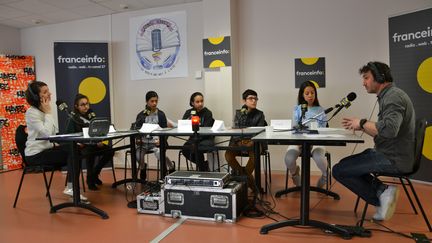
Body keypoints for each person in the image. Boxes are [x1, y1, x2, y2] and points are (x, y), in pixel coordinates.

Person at [332, 61, 415, 221]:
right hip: (390, 154)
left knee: (339, 170)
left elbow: (390, 130)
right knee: (345, 166)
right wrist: (362, 127)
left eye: (366, 78)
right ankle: (383, 195)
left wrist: (362, 123)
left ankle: (383, 193)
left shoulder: (393, 96)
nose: (363, 83)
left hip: (393, 159)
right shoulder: (389, 95)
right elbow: (384, 131)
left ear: (380, 77)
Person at [24, 81, 88, 202]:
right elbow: (47, 134)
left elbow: (53, 134)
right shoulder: (32, 113)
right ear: (36, 96)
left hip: (47, 149)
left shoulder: (45, 111)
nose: (50, 93)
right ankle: (71, 188)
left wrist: (71, 141)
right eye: (45, 92)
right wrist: (48, 113)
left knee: (74, 149)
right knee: (72, 152)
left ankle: (71, 187)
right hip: (35, 155)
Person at [65, 94, 114, 190]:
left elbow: (97, 131)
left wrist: (99, 140)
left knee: (110, 151)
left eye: (87, 104)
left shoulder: (91, 116)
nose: (86, 106)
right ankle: (90, 180)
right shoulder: (73, 119)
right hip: (80, 146)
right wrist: (78, 143)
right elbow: (68, 136)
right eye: (82, 105)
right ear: (76, 106)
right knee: (90, 152)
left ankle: (94, 174)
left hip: (93, 143)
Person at [285, 81, 329, 188]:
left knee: (319, 158)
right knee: (289, 158)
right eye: (307, 93)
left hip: (317, 141)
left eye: (312, 93)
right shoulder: (298, 109)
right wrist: (298, 141)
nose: (310, 96)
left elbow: (323, 130)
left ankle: (325, 176)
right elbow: (294, 128)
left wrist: (314, 142)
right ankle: (295, 175)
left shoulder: (321, 110)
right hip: (300, 141)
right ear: (302, 95)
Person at [225, 89, 266, 192]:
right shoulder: (239, 113)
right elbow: (236, 129)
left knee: (255, 156)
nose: (254, 101)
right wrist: (239, 141)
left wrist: (251, 141)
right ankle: (248, 180)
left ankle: (241, 179)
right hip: (239, 142)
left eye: (255, 99)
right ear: (244, 101)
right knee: (228, 155)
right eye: (251, 98)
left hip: (254, 143)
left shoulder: (260, 114)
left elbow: (260, 131)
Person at [134, 91, 175, 180]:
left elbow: (165, 130)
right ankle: (143, 168)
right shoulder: (141, 115)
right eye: (152, 101)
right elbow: (136, 129)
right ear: (147, 102)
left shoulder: (161, 114)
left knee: (160, 154)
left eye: (156, 101)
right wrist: (138, 139)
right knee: (138, 155)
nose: (154, 103)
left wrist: (162, 140)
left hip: (157, 142)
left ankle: (171, 166)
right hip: (144, 143)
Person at [181, 92, 215, 171]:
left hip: (206, 139)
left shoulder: (208, 113)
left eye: (201, 101)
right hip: (193, 139)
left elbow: (207, 130)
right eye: (197, 102)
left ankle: (202, 169)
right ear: (192, 103)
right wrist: (189, 120)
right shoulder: (189, 113)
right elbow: (183, 125)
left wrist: (196, 140)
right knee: (185, 149)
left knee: (197, 147)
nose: (200, 104)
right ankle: (203, 166)